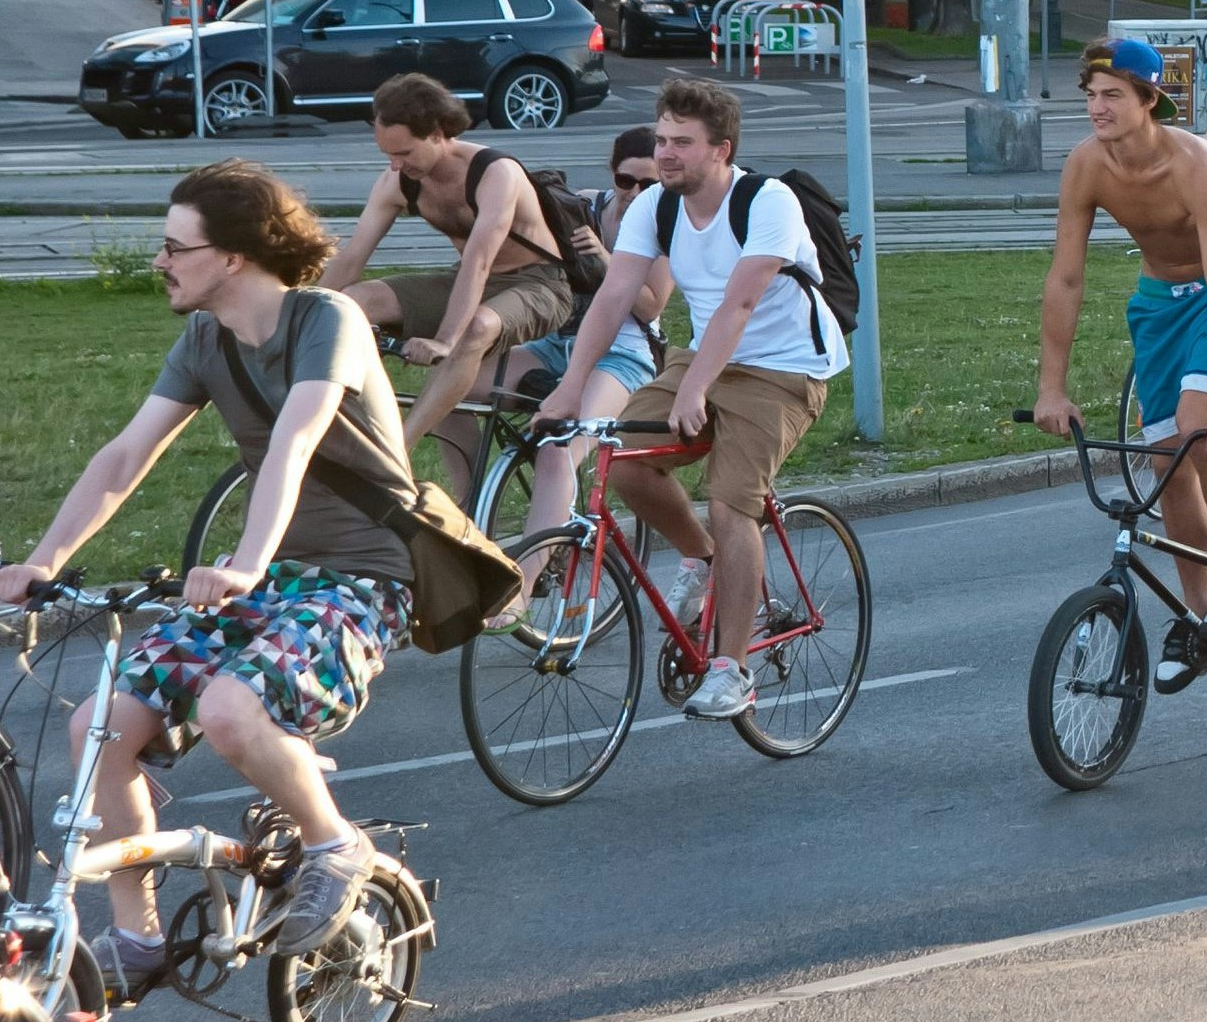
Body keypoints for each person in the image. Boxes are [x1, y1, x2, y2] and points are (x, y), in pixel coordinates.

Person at [0, 161, 422, 982]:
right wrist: (45, 558)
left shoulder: (326, 319)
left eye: (174, 247)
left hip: (364, 577)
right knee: (97, 727)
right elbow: (127, 454)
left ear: (232, 255)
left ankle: (335, 845)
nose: (161, 261)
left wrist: (247, 563)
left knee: (230, 707)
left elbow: (296, 437)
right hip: (271, 577)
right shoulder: (205, 339)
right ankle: (139, 938)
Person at [535, 77, 846, 720]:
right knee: (624, 461)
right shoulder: (656, 205)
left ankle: (733, 670)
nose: (666, 152)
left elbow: (741, 303)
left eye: (682, 142)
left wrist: (697, 388)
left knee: (732, 502)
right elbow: (614, 297)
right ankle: (703, 558)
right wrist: (570, 387)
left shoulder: (768, 201)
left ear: (721, 149)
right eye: (661, 139)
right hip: (703, 356)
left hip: (783, 369)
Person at [1029, 41, 1207, 691]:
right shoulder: (1087, 164)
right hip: (1160, 300)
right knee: (1165, 457)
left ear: (1149, 99)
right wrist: (1051, 387)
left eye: (1113, 95)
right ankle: (1199, 614)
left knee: (1199, 427)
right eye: (1091, 95)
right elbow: (1066, 279)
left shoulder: (1195, 163)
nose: (1097, 107)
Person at [315, 72, 586, 493]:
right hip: (468, 280)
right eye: (388, 154)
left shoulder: (496, 173)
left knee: (475, 327)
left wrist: (445, 340)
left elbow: (480, 260)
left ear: (439, 133)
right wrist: (299, 312)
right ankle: (349, 427)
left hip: (540, 284)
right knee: (351, 303)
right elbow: (352, 257)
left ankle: (394, 453)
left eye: (404, 152)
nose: (395, 165)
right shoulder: (398, 181)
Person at [499, 127, 670, 541]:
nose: (634, 192)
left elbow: (651, 306)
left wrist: (605, 259)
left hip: (623, 354)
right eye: (625, 180)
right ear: (612, 173)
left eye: (648, 184)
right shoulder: (587, 205)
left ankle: (528, 573)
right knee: (458, 390)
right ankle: (470, 516)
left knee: (557, 451)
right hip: (557, 342)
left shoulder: (665, 220)